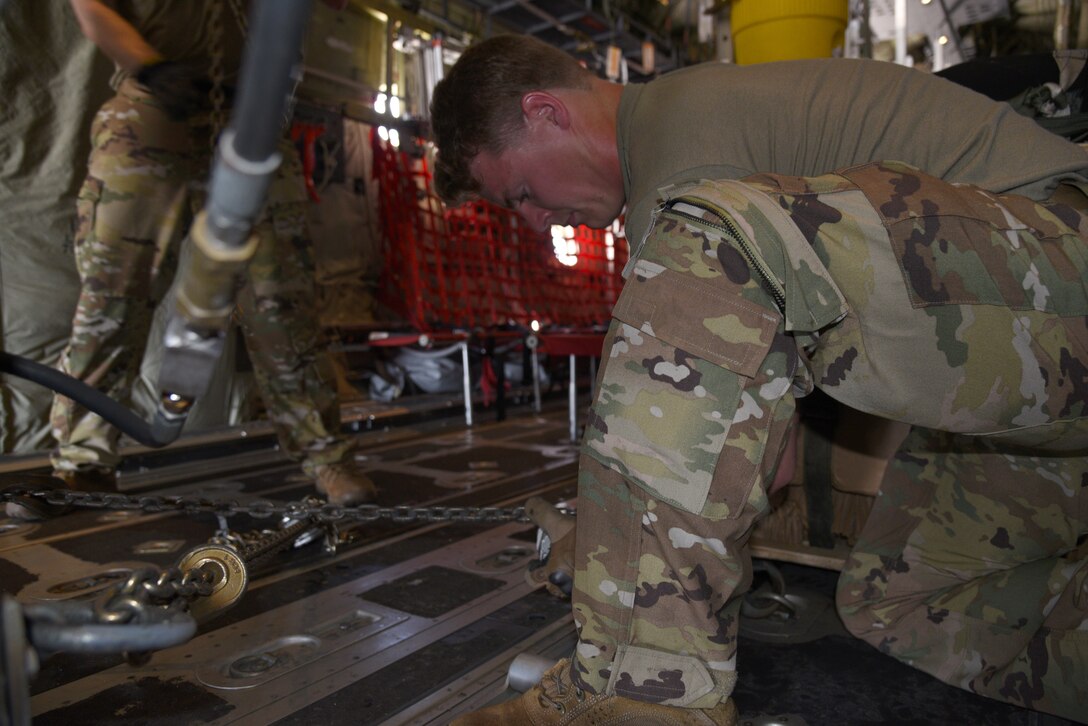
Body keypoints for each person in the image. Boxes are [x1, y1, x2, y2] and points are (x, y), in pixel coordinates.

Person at [431, 36, 1088, 724]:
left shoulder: (684, 156)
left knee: (708, 241)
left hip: (1062, 270)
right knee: (912, 603)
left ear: (545, 112)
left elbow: (736, 454)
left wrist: (612, 547)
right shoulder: (690, 125)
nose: (537, 222)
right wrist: (611, 530)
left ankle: (641, 692)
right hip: (1027, 353)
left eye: (525, 195)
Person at [48, 0, 376, 506]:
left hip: (251, 117)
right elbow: (91, 7)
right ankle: (84, 462)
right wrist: (151, 66)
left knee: (282, 304)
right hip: (153, 109)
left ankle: (328, 459)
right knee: (112, 297)